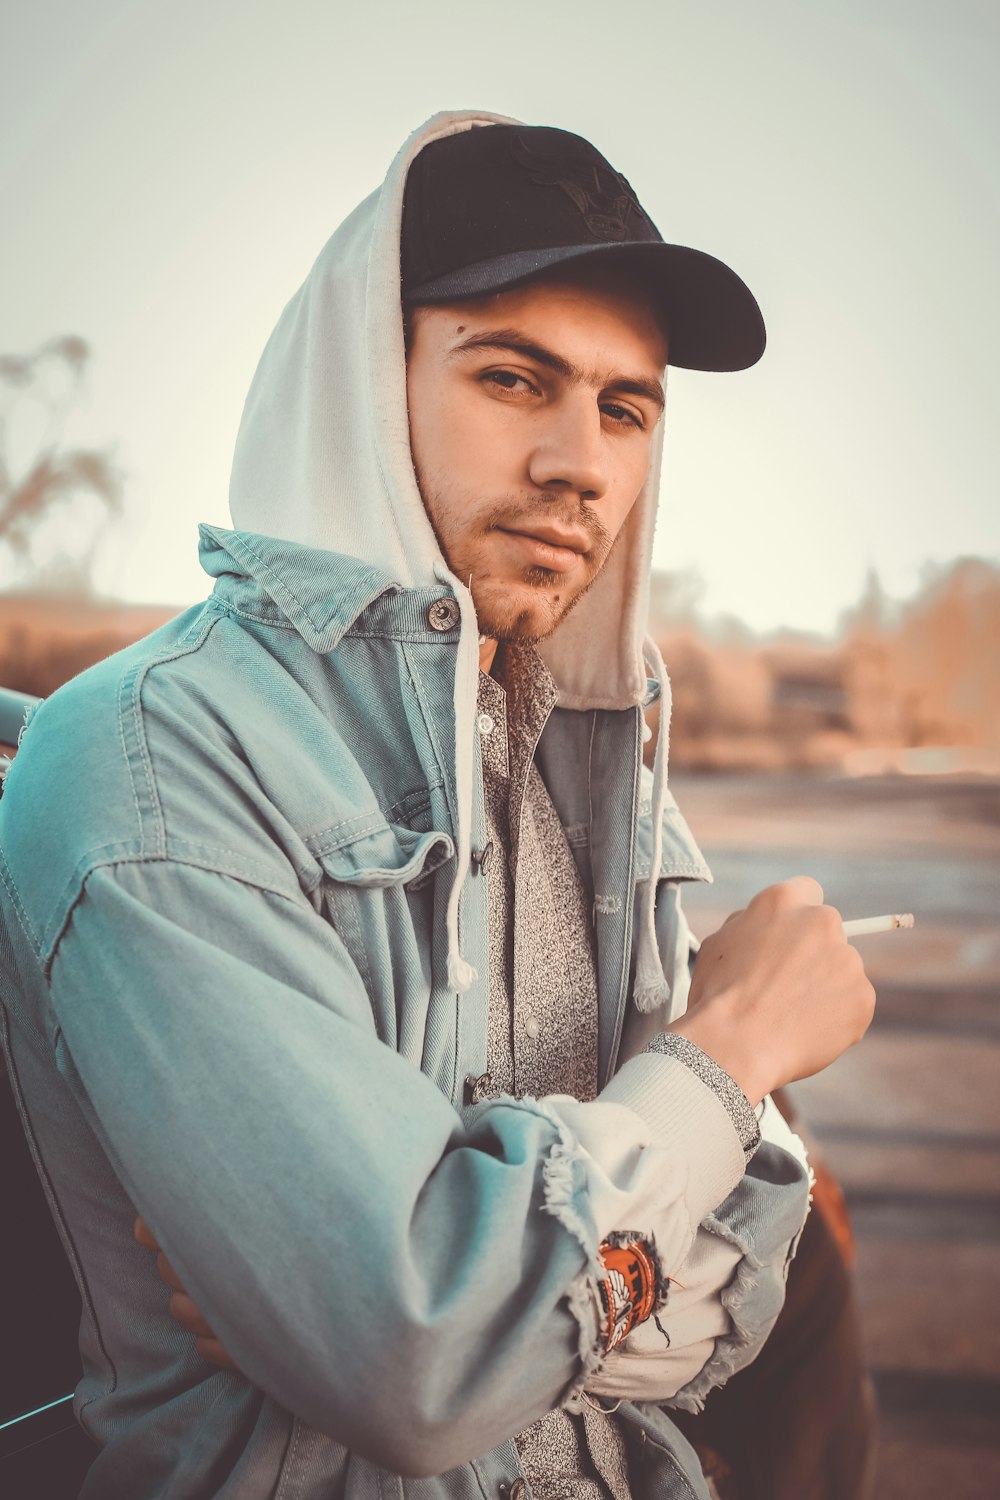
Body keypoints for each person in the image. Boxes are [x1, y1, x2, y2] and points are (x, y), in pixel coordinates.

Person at [0, 111, 876, 1499]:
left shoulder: (585, 770)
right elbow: (421, 1364)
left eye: (625, 405)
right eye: (515, 379)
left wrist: (483, 1286)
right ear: (366, 382)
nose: (582, 463)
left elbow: (739, 1291)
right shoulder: (159, 758)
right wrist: (730, 1052)